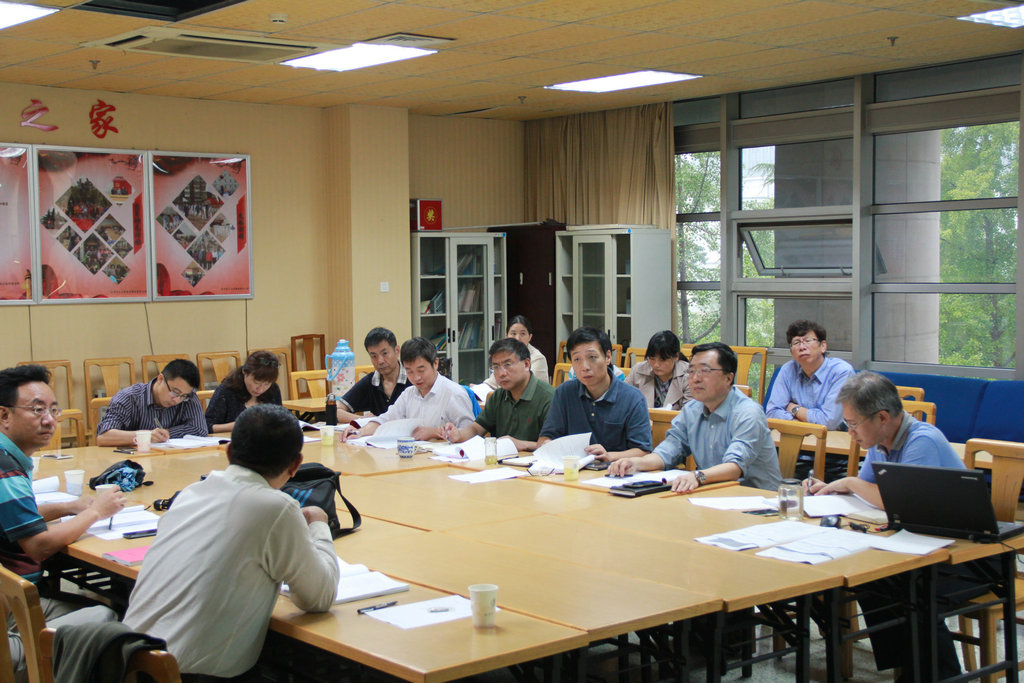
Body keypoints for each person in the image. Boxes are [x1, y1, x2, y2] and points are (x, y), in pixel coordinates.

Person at [123, 404, 339, 679]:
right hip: (191, 676)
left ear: (228, 451)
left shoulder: (190, 493)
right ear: (296, 465)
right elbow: (318, 598)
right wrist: (319, 524)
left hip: (128, 662)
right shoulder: (276, 508)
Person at [804, 371, 967, 679]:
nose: (850, 433)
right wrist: (833, 488)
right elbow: (867, 491)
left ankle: (939, 675)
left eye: (853, 424)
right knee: (868, 578)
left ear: (882, 417)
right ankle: (906, 668)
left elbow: (897, 500)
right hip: (918, 544)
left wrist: (849, 482)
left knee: (910, 590)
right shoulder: (880, 442)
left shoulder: (922, 440)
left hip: (963, 555)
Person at [0, 365, 125, 679]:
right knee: (108, 619)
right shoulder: (5, 468)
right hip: (8, 621)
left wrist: (67, 507)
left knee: (94, 606)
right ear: (4, 415)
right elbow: (38, 545)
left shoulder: (7, 457)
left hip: (13, 600)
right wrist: (95, 513)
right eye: (37, 410)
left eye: (53, 410)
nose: (49, 420)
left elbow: (12, 518)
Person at [609, 342, 781, 492]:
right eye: (691, 372)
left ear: (729, 378)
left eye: (705, 371)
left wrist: (697, 476)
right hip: (712, 495)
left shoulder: (748, 413)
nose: (695, 379)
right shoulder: (692, 410)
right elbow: (669, 450)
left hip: (757, 501)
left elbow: (734, 467)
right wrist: (635, 463)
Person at [537, 326, 650, 461]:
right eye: (577, 359)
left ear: (608, 357)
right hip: (572, 470)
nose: (585, 367)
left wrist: (609, 456)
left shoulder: (633, 398)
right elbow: (546, 437)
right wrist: (547, 445)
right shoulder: (564, 393)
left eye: (592, 357)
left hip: (614, 470)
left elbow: (643, 451)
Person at [341, 337, 475, 442]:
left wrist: (434, 433)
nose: (416, 378)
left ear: (435, 363)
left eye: (421, 370)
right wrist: (360, 432)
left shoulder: (454, 393)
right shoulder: (409, 394)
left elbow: (470, 434)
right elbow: (385, 419)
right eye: (409, 371)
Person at [443, 338, 555, 451]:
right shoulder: (498, 396)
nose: (501, 373)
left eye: (508, 365)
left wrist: (519, 444)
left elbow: (554, 446)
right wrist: (459, 434)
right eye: (496, 367)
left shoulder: (549, 398)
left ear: (526, 364)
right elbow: (477, 429)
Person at [765, 320, 855, 430]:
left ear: (823, 346)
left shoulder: (841, 372)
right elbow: (772, 413)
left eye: (807, 341)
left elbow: (829, 421)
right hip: (795, 437)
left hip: (835, 438)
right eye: (796, 343)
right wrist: (801, 423)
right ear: (791, 352)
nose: (802, 347)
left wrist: (794, 409)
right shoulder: (787, 370)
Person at [96, 359, 207, 446]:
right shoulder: (129, 397)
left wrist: (166, 433)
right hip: (133, 462)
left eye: (183, 396)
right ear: (160, 379)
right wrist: (146, 436)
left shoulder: (188, 397)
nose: (177, 400)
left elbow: (200, 429)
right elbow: (103, 436)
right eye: (175, 392)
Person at [336, 327, 411, 424]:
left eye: (385, 353)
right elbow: (337, 411)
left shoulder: (413, 378)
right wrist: (365, 420)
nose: (380, 361)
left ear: (397, 351)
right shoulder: (371, 381)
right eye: (374, 356)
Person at [205, 350, 282, 433]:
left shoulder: (273, 389)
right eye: (256, 383)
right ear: (244, 371)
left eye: (267, 384)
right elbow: (206, 426)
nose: (260, 389)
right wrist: (236, 426)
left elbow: (280, 420)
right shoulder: (226, 391)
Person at [624, 330, 691, 410]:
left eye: (662, 360)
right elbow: (623, 398)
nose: (656, 365)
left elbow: (690, 413)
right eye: (652, 358)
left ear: (676, 356)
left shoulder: (689, 375)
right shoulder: (638, 371)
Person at [482, 316, 549, 388]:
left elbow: (526, 386)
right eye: (513, 334)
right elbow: (491, 382)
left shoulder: (538, 358)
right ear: (507, 336)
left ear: (530, 337)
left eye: (522, 334)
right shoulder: (504, 355)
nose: (517, 338)